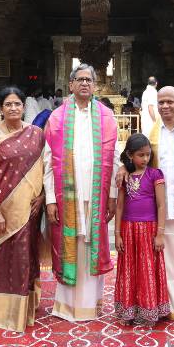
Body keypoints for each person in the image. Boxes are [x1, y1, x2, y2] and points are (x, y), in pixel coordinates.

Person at [119, 86, 174, 320]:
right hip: (156, 210)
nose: (165, 106)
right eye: (161, 102)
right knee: (161, 260)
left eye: (170, 101)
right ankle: (162, 305)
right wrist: (122, 168)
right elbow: (135, 160)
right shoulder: (150, 131)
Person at [44, 63, 120, 321]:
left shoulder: (107, 116)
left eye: (89, 80)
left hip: (95, 194)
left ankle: (91, 305)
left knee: (90, 246)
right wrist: (51, 199)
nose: (85, 84)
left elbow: (114, 158)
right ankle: (66, 305)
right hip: (67, 195)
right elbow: (47, 160)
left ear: (95, 85)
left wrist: (111, 194)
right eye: (80, 80)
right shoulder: (57, 117)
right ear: (71, 85)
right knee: (69, 245)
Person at [0, 86, 45, 331]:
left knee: (24, 257)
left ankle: (24, 311)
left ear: (24, 107)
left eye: (18, 104)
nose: (13, 108)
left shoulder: (36, 133)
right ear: (1, 108)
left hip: (29, 208)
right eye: (8, 104)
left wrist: (43, 196)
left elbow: (45, 167)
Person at [114, 133, 170, 326]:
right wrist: (117, 234)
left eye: (148, 155)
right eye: (141, 155)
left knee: (147, 270)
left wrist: (160, 234)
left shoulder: (155, 175)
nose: (145, 159)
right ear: (130, 155)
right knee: (129, 269)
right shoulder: (125, 176)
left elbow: (162, 205)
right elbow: (120, 206)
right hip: (128, 230)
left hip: (149, 230)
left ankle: (149, 311)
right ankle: (129, 311)